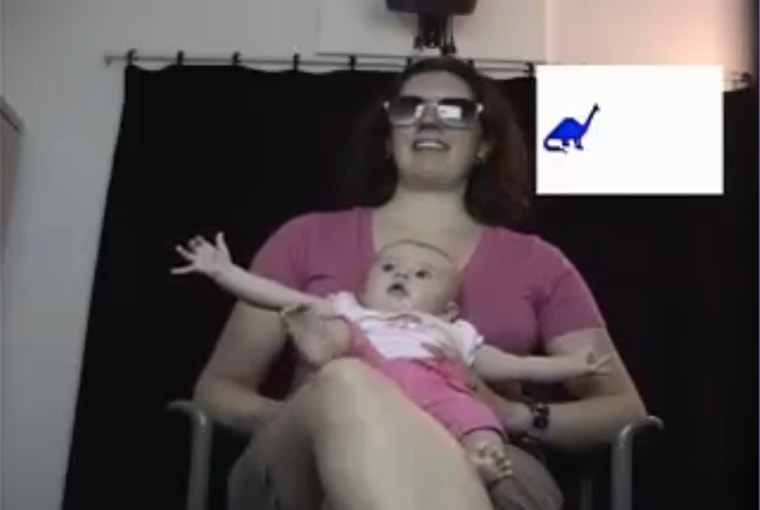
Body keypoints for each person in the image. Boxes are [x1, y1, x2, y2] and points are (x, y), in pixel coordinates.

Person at [192, 56, 647, 510]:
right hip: (301, 465)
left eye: (453, 111)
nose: (429, 120)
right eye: (410, 108)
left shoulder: (539, 262)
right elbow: (218, 391)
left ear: (484, 143)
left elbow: (621, 410)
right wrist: (327, 416)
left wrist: (516, 415)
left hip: (488, 456)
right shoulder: (305, 238)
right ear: (389, 139)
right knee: (346, 381)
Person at [173, 234, 613, 488]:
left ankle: (482, 457)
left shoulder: (451, 333)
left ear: (448, 310)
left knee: (477, 415)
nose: (402, 275)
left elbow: (516, 366)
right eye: (388, 269)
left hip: (438, 394)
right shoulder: (351, 308)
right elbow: (278, 295)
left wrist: (573, 367)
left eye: (423, 275)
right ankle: (320, 343)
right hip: (371, 386)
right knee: (346, 347)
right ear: (364, 287)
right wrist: (224, 273)